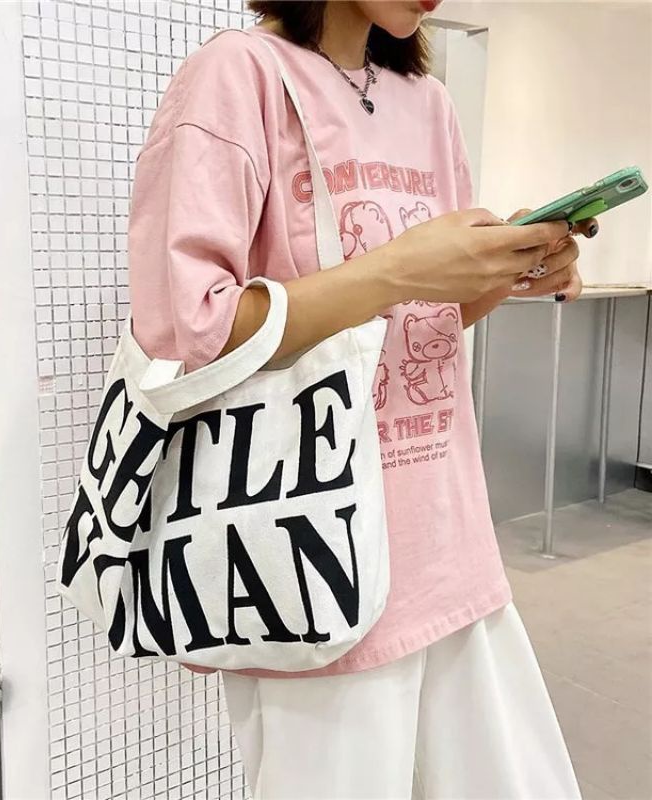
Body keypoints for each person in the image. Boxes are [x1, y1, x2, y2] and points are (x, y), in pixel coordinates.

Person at [128, 1, 595, 797]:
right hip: (313, 560)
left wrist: (512, 267)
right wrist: (397, 269)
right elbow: (185, 330)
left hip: (449, 547)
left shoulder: (429, 104)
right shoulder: (239, 76)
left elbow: (424, 319)